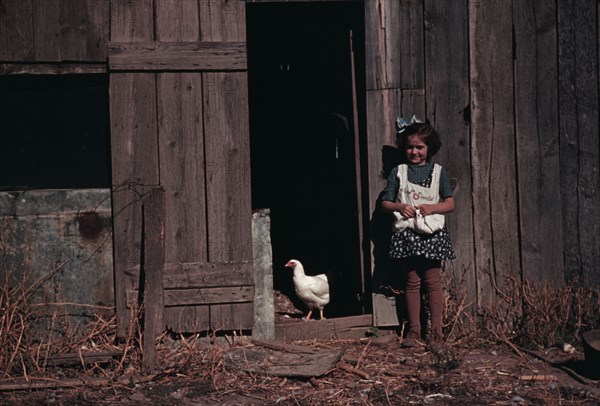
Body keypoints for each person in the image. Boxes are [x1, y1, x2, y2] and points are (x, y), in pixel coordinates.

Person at [379, 115, 456, 349]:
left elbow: (450, 203)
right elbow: (385, 203)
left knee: (432, 282)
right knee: (412, 281)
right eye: (410, 147)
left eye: (420, 147)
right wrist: (400, 207)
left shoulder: (438, 172)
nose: (414, 152)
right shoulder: (398, 172)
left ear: (429, 148)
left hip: (432, 235)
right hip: (408, 235)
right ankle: (414, 330)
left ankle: (436, 334)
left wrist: (432, 207)